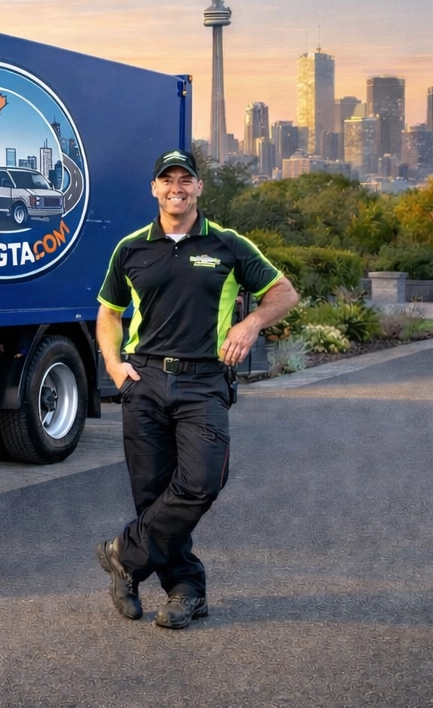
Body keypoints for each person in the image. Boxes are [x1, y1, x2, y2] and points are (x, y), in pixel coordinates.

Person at [94, 148, 298, 628]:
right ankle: (185, 591)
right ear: (154, 189)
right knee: (152, 495)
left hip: (203, 381)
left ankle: (124, 555)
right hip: (144, 381)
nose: (176, 188)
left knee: (203, 481)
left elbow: (284, 292)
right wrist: (114, 364)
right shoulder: (131, 248)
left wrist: (249, 327)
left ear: (199, 188)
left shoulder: (228, 244)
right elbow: (108, 312)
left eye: (186, 180)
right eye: (167, 180)